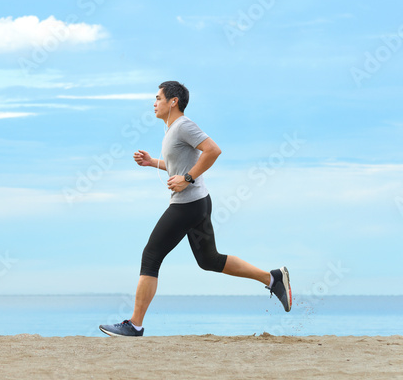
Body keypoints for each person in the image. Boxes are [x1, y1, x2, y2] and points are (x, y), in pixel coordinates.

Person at [99, 81, 291, 337]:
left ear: (173, 101)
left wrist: (187, 179)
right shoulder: (171, 130)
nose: (154, 103)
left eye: (158, 98)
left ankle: (134, 324)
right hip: (197, 203)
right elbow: (179, 166)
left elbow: (213, 151)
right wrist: (152, 162)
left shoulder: (183, 126)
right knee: (209, 260)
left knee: (151, 256)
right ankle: (272, 278)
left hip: (188, 205)